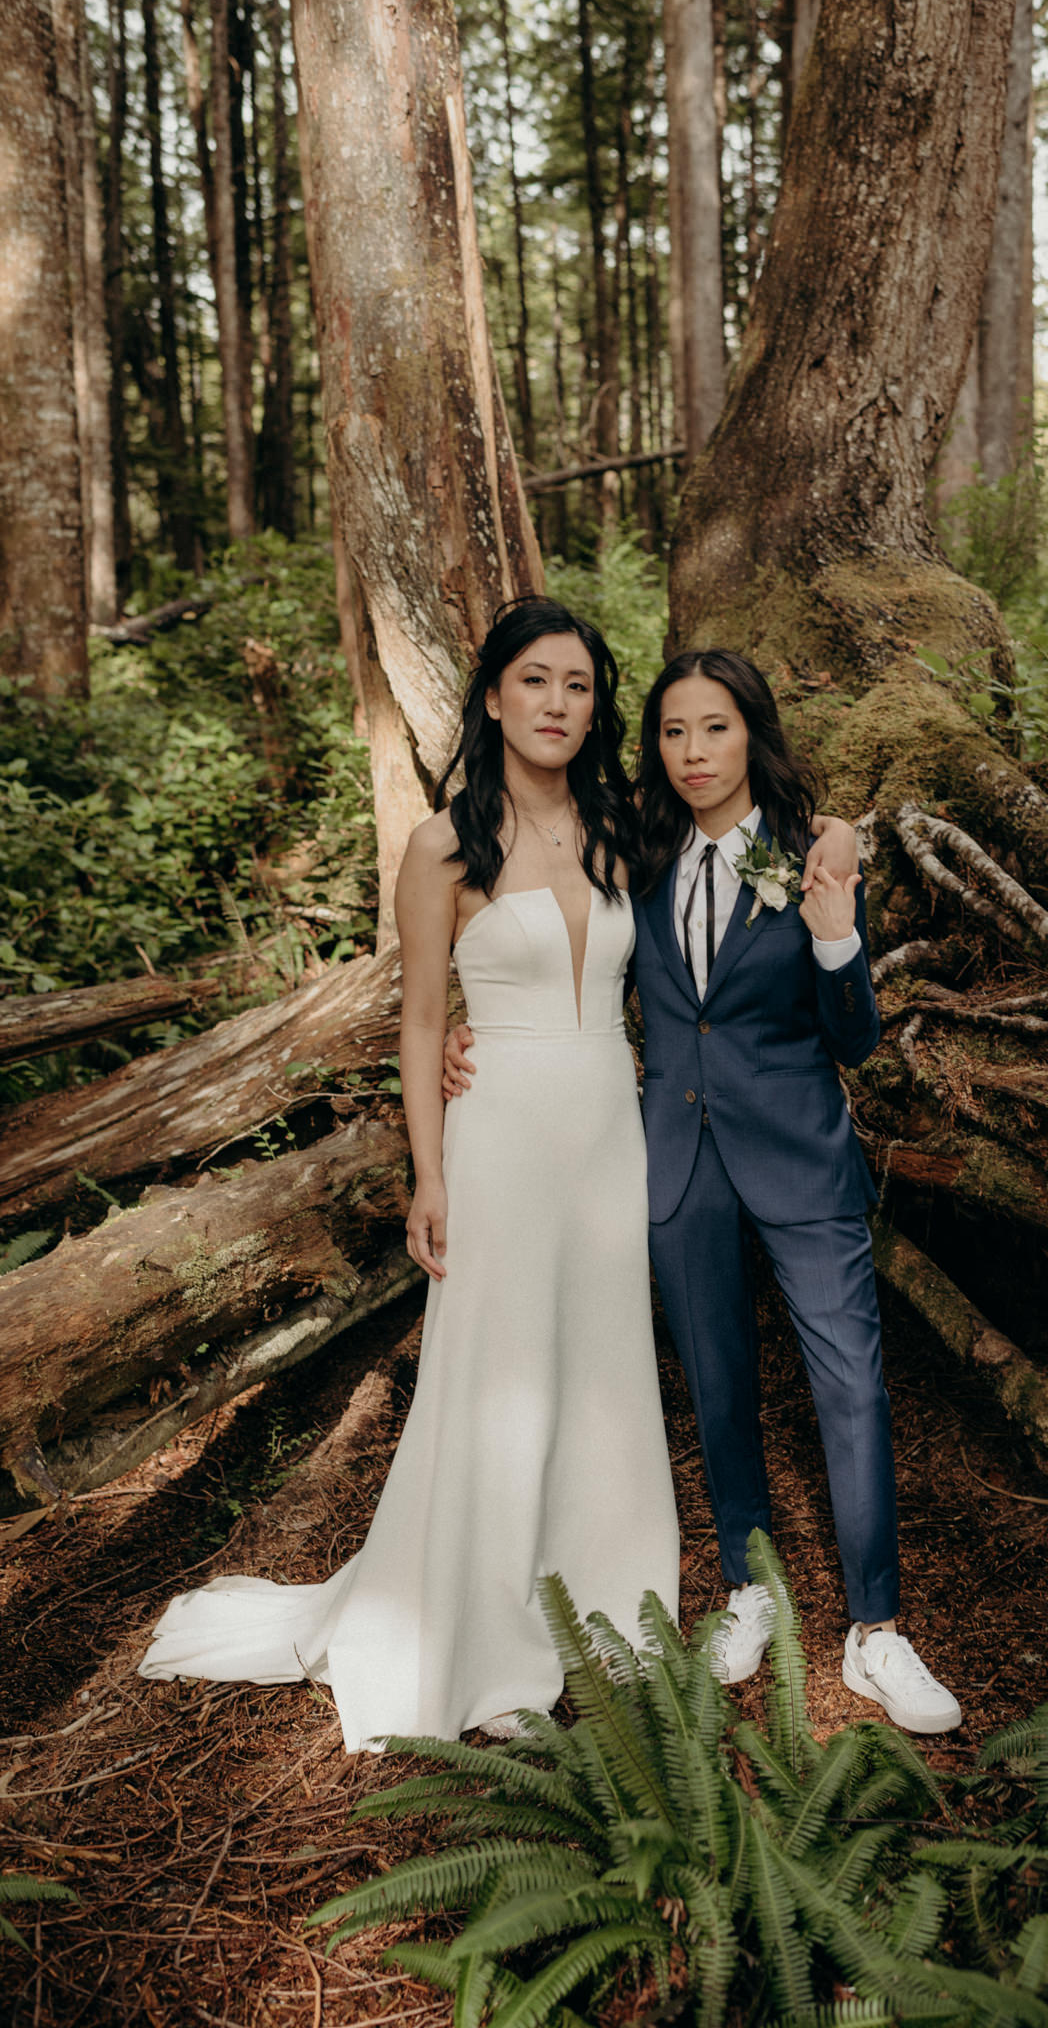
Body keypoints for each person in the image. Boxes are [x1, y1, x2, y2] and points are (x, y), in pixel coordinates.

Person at [139, 598, 681, 1750]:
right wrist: (427, 1176)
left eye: (578, 686)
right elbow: (424, 1020)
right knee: (493, 1375)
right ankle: (484, 1657)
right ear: (490, 696)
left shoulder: (619, 824)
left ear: (597, 708)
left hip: (605, 1127)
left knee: (602, 1366)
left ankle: (606, 1613)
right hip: (499, 1137)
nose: (555, 704)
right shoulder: (444, 844)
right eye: (534, 680)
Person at [451, 643, 962, 1735]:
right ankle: (747, 1588)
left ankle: (877, 1629)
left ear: (751, 732)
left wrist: (834, 940)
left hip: (798, 1149)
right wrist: (472, 1022)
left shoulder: (812, 851)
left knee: (850, 1383)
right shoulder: (630, 848)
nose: (692, 752)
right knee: (716, 1383)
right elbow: (549, 939)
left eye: (714, 728)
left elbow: (857, 1040)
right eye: (672, 732)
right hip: (669, 1156)